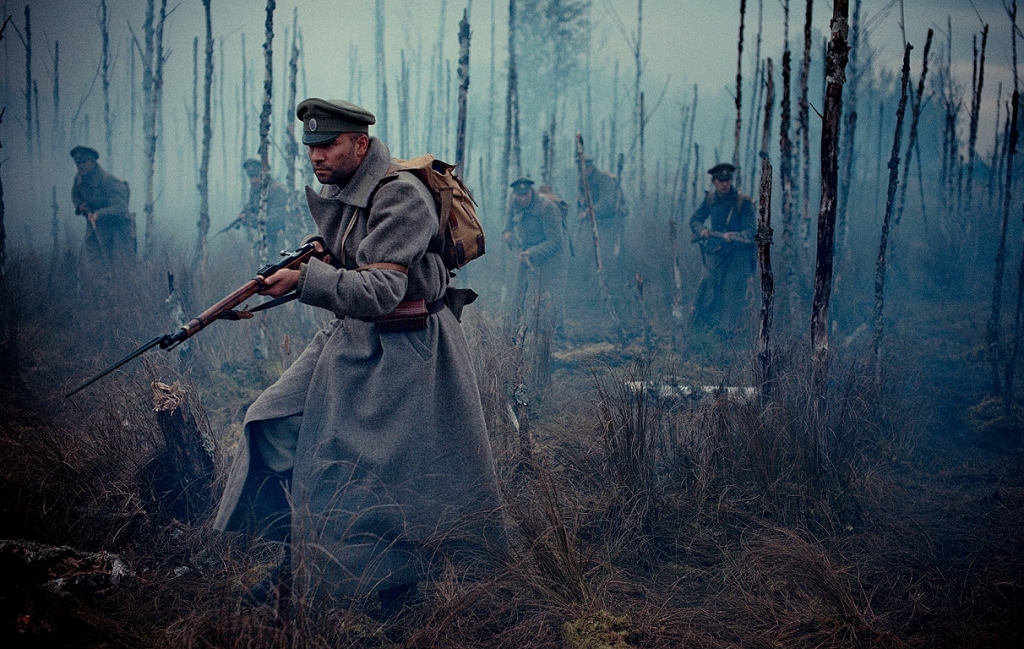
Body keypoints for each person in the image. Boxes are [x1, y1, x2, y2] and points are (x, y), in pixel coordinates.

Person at [213, 98, 503, 614]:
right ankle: (296, 559)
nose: (316, 157)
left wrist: (306, 280)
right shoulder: (343, 187)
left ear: (361, 145)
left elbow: (382, 292)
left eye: (328, 145)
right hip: (350, 337)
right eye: (311, 147)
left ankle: (377, 585)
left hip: (408, 348)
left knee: (375, 475)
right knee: (270, 422)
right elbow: (352, 253)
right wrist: (319, 254)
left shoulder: (401, 196)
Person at [503, 177, 566, 395]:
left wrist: (534, 253)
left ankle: (552, 339)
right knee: (517, 294)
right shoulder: (513, 202)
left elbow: (557, 242)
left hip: (550, 257)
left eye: (525, 195)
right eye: (518, 196)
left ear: (531, 193)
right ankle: (514, 336)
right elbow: (507, 224)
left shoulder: (548, 209)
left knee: (546, 299)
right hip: (525, 252)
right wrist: (507, 234)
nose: (521, 199)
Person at [689, 162, 756, 342]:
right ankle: (701, 331)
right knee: (708, 287)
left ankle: (727, 336)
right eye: (721, 180)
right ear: (713, 181)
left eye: (728, 180)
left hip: (739, 256)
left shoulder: (744, 203)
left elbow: (752, 231)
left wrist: (734, 235)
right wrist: (702, 230)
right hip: (717, 252)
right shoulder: (711, 199)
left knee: (731, 294)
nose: (725, 184)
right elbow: (695, 219)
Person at [70, 146, 134, 266]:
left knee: (118, 268)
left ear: (93, 162)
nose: (80, 166)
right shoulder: (80, 179)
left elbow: (121, 208)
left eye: (84, 162)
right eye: (77, 162)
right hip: (94, 229)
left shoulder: (109, 182)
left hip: (117, 230)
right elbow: (75, 195)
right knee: (95, 266)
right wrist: (80, 206)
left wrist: (99, 214)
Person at [577, 157, 627, 259]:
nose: (581, 172)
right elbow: (581, 200)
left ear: (590, 168)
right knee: (585, 252)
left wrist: (588, 212)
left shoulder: (604, 179)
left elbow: (607, 204)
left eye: (584, 169)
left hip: (610, 221)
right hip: (594, 221)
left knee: (605, 255)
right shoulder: (583, 181)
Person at [240, 158, 291, 255]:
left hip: (281, 243)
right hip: (265, 242)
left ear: (264, 175)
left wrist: (250, 219)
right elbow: (251, 206)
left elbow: (275, 222)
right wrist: (243, 215)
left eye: (256, 176)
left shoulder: (277, 190)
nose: (253, 180)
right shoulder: (256, 189)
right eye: (250, 177)